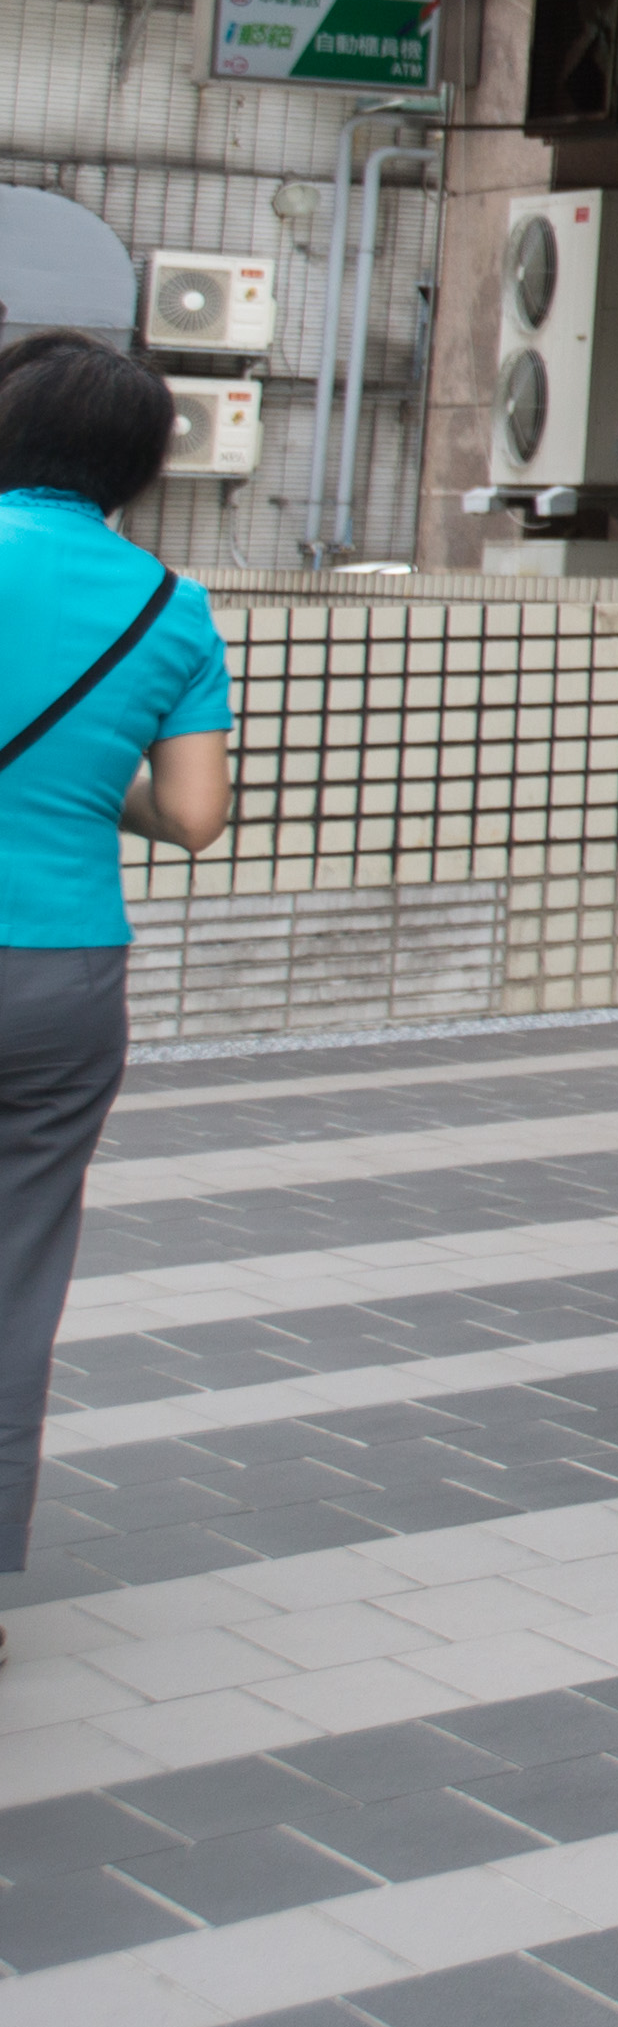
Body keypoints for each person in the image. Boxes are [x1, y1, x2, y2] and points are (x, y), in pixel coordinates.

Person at [0, 334, 233, 1667]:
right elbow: (194, 814)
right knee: (15, 1269)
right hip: (59, 976)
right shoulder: (165, 603)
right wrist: (94, 787)